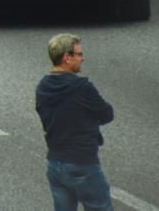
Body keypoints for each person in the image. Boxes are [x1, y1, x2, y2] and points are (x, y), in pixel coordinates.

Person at [35, 33, 115, 211]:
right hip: (82, 163)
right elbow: (107, 114)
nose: (83, 58)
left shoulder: (43, 87)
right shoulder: (82, 88)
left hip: (55, 164)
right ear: (67, 57)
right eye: (79, 54)